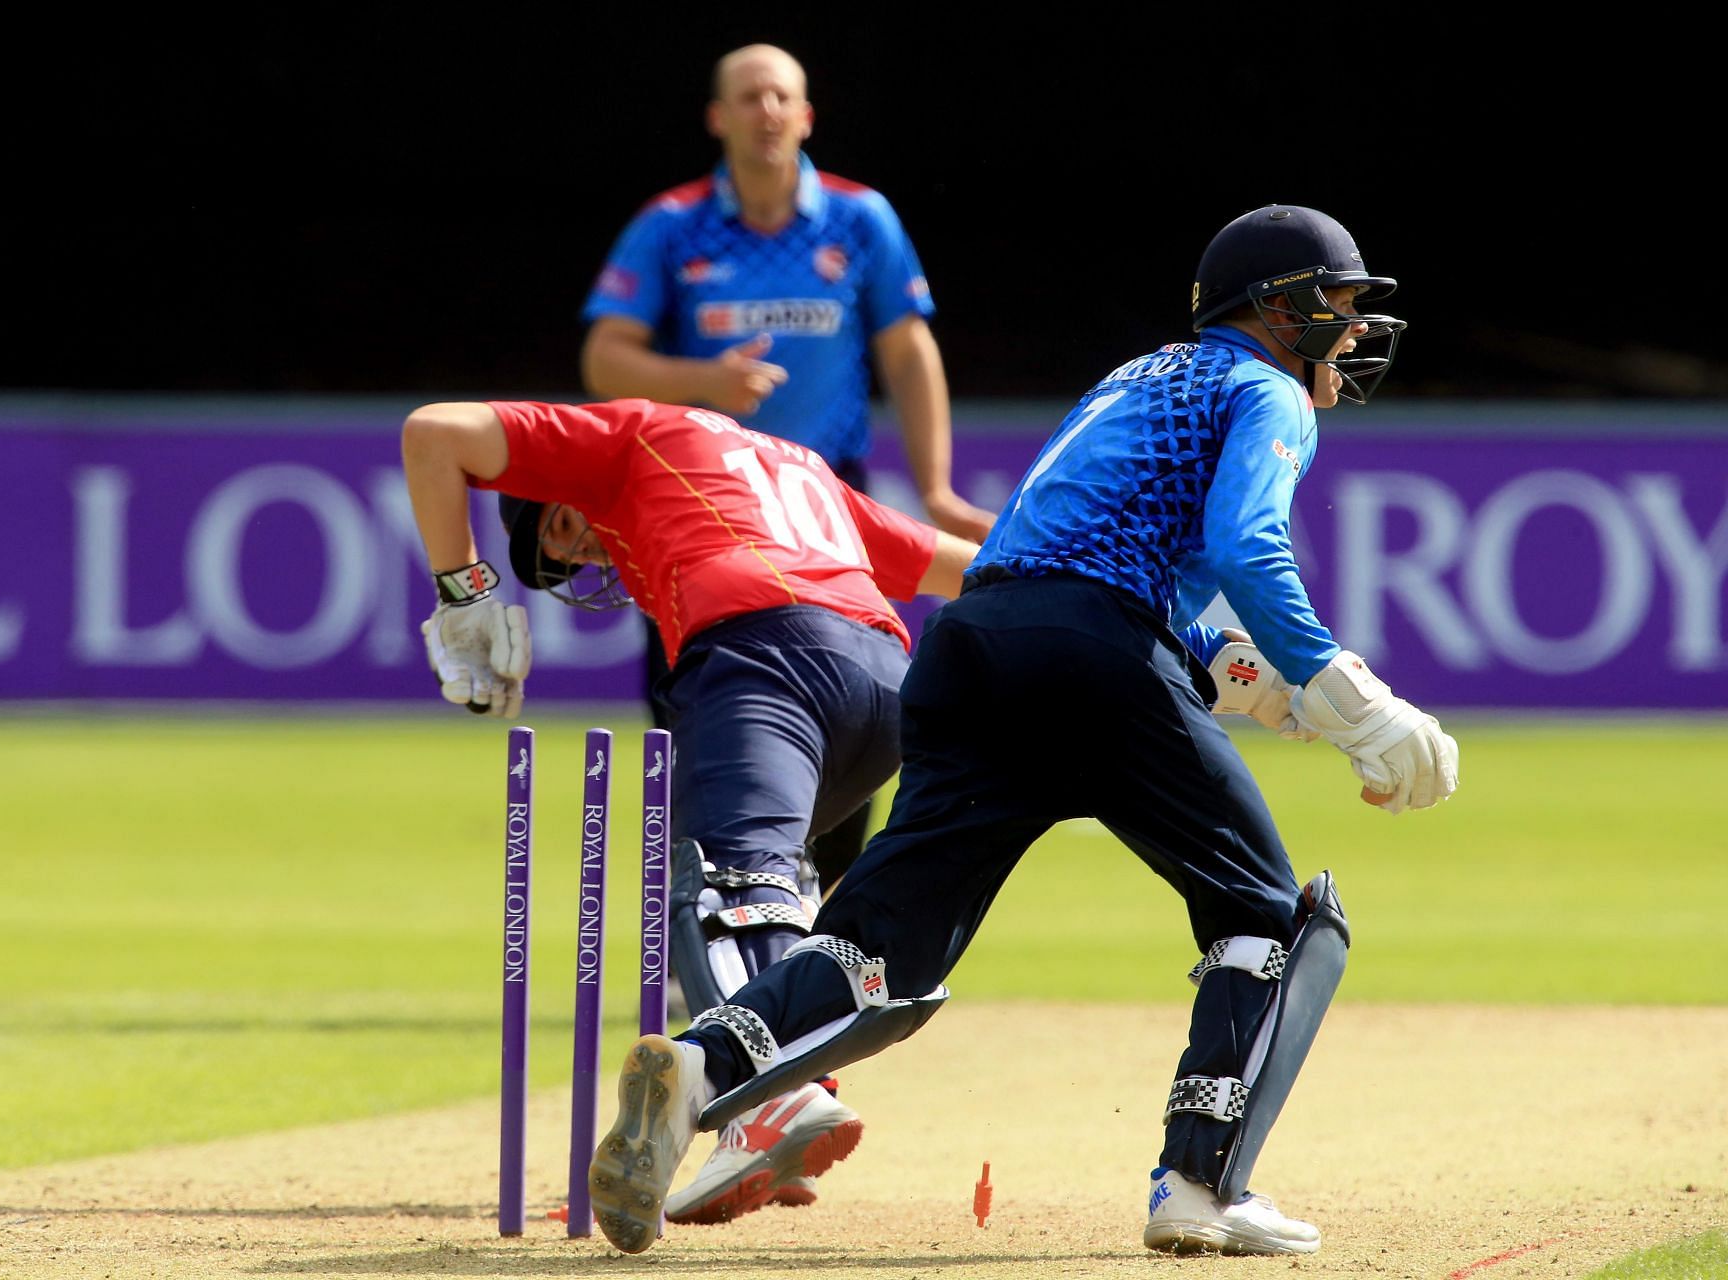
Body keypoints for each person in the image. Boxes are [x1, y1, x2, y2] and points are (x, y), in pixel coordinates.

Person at [585, 205, 1462, 1258]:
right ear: (1279, 309)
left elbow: (1124, 587)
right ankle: (1202, 1182)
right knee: (1271, 920)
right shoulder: (1265, 386)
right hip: (1090, 650)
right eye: (1341, 304)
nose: (1356, 329)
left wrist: (1290, 699)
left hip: (972, 650)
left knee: (881, 954)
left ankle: (701, 1067)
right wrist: (1355, 700)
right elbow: (1245, 548)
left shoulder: (1135, 377)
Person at [400, 394, 980, 1225]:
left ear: (557, 494)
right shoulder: (801, 468)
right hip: (887, 684)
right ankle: (767, 1114)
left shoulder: (630, 433)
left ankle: (776, 1101)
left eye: (559, 536)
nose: (584, 550)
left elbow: (433, 434)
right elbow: (963, 565)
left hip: (763, 655)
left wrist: (462, 598)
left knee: (726, 888)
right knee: (774, 886)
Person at [578, 42, 994, 894]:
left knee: (858, 721)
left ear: (805, 116)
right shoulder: (672, 224)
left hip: (825, 505)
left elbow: (908, 352)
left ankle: (817, 952)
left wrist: (940, 486)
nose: (766, 110)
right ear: (718, 118)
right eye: (748, 96)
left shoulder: (858, 218)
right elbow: (605, 359)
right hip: (695, 514)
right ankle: (695, 941)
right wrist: (706, 383)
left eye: (781, 96)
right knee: (691, 730)